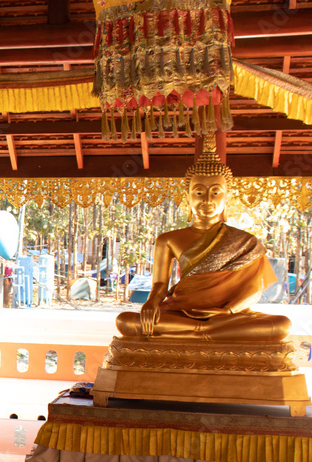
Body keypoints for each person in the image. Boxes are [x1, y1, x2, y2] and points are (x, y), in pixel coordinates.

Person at [115, 137, 290, 342]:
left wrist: (228, 312)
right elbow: (160, 284)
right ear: (188, 196)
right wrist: (151, 303)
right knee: (125, 321)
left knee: (281, 325)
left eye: (216, 192)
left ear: (227, 198)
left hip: (227, 316)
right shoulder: (168, 239)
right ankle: (205, 331)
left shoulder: (245, 243)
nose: (207, 200)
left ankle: (198, 332)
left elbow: (254, 290)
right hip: (180, 312)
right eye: (199, 192)